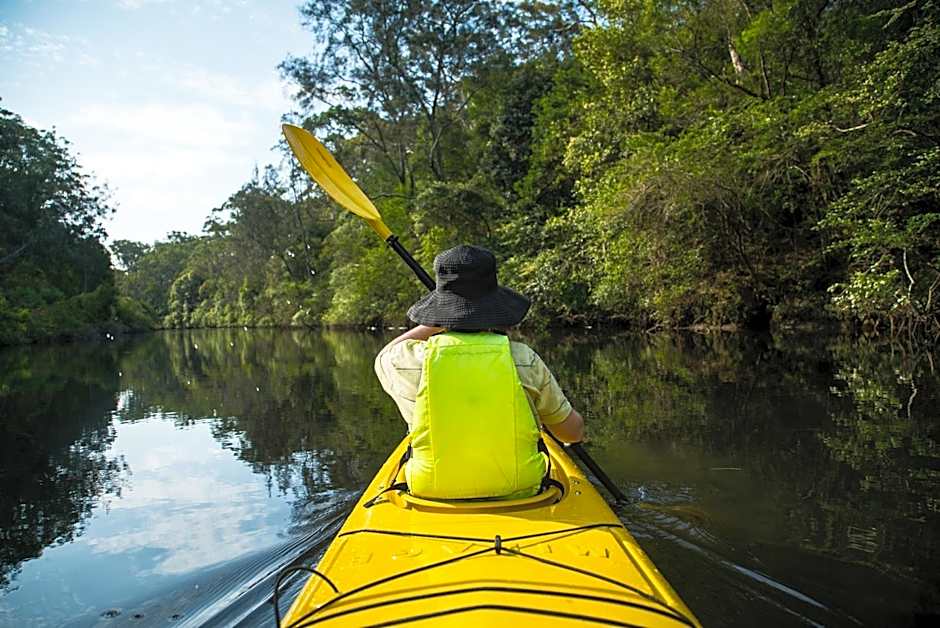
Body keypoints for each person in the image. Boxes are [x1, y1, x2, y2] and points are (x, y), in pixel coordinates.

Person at [374, 244, 585, 500]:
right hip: (522, 492)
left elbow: (384, 354)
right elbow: (571, 433)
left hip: (431, 493)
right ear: (496, 306)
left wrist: (433, 324)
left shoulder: (406, 361)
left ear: (439, 312)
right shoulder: (523, 360)